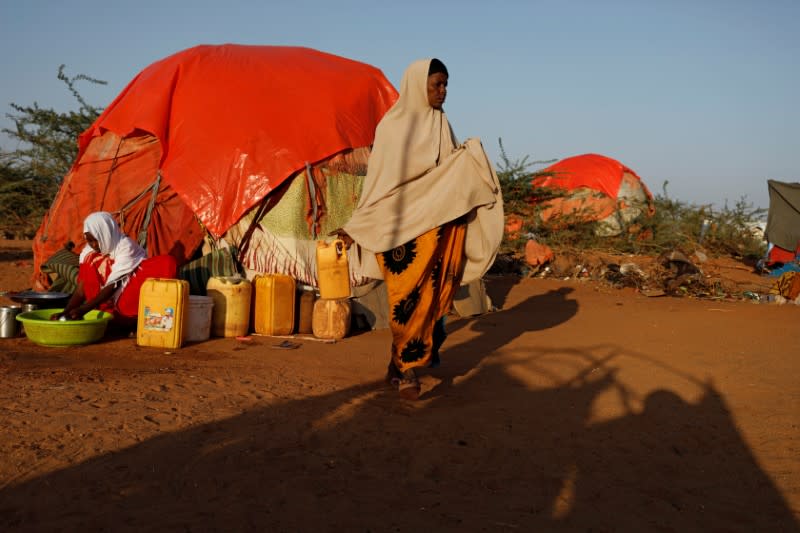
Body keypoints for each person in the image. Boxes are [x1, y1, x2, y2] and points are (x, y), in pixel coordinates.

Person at [336, 58, 504, 400]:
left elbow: (449, 177)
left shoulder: (441, 124)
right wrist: (359, 226)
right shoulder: (392, 128)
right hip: (398, 232)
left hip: (434, 230)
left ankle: (397, 365)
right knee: (405, 301)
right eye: (436, 85)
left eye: (445, 86)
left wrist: (471, 159)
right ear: (417, 86)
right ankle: (410, 370)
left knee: (432, 303)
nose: (442, 92)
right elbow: (380, 188)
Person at [52, 211, 177, 325]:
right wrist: (66, 311)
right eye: (89, 241)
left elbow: (113, 286)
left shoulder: (125, 246)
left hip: (129, 286)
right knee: (92, 262)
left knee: (166, 263)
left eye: (96, 240)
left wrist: (83, 309)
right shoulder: (88, 253)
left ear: (105, 233)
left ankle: (131, 320)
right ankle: (113, 317)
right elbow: (81, 289)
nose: (93, 245)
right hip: (105, 298)